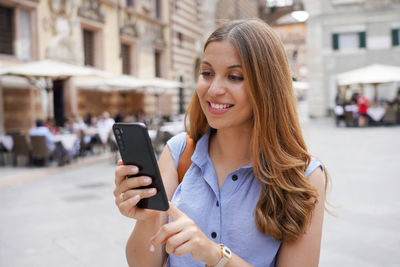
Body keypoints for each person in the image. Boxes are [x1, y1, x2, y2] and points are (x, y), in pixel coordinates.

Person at [113, 19, 328, 267]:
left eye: (234, 76)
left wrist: (216, 255)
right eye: (207, 73)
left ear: (267, 87)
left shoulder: (305, 175)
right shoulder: (178, 152)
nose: (213, 89)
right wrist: (148, 218)